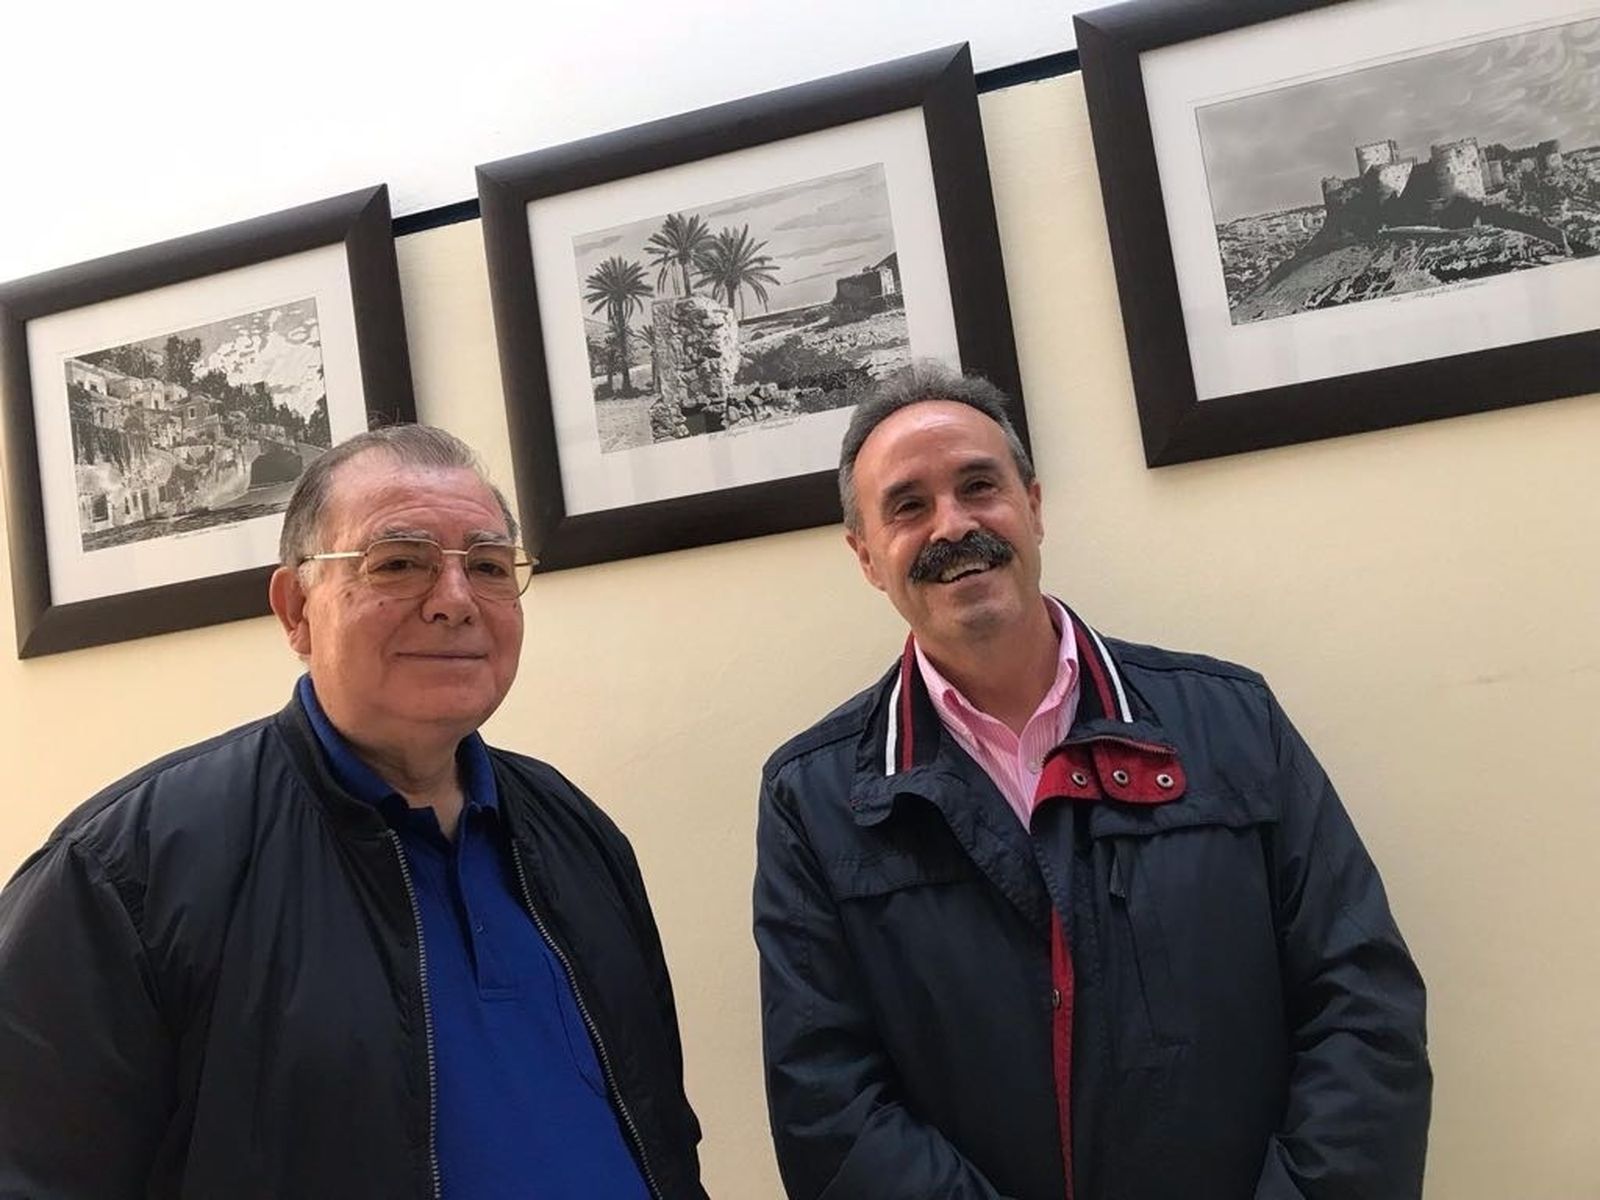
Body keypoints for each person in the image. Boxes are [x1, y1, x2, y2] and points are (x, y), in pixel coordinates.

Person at [752, 364, 1431, 1200]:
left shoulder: (1232, 724)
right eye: (908, 506)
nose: (953, 525)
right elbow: (829, 1105)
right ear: (865, 555)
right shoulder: (812, 800)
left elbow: (1362, 1005)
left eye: (979, 485)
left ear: (1033, 506)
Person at [0, 425, 706, 1199]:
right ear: (295, 609)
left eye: (489, 565)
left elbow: (660, 1123)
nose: (456, 600)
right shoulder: (122, 875)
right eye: (399, 563)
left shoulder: (577, 830)